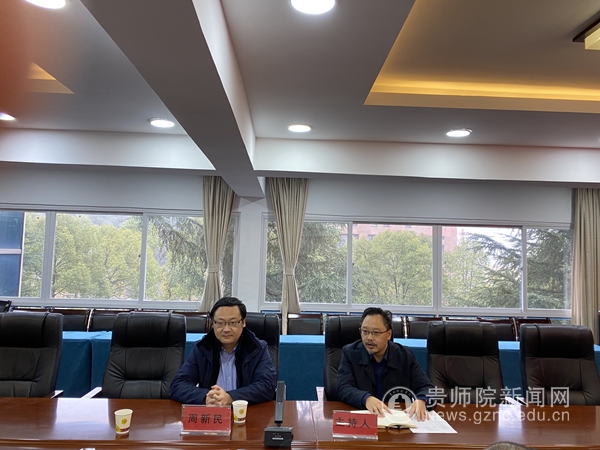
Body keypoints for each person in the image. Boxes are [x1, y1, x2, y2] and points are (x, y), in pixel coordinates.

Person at [169, 297, 276, 405]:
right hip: (212, 412)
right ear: (212, 323)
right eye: (220, 323)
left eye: (233, 323)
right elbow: (178, 385)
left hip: (244, 412)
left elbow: (267, 386)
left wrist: (231, 397)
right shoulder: (202, 348)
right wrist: (207, 397)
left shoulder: (257, 349)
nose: (226, 329)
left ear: (243, 322)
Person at [337, 307, 433, 421]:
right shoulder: (350, 353)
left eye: (376, 333)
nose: (369, 338)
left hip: (397, 421)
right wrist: (366, 398)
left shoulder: (405, 356)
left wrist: (421, 400)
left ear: (388, 334)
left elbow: (427, 387)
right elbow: (343, 388)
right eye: (365, 331)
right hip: (364, 419)